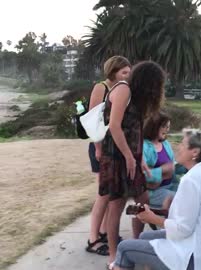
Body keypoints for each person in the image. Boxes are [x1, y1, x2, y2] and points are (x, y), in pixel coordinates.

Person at [113, 129, 201, 270]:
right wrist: (172, 207)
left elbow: (182, 230)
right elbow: (196, 217)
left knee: (124, 248)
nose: (178, 147)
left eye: (182, 144)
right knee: (144, 236)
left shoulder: (192, 180)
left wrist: (152, 218)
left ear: (195, 152)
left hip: (196, 257)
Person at [100, 61, 166, 269]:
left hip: (131, 157)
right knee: (116, 206)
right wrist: (129, 157)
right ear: (148, 82)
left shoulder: (136, 97)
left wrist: (140, 159)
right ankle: (114, 256)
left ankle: (137, 243)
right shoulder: (123, 89)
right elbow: (115, 127)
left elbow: (135, 131)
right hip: (117, 158)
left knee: (142, 200)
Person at [86, 56, 131, 256]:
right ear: (113, 71)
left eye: (129, 72)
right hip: (101, 147)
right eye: (124, 72)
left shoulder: (121, 90)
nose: (127, 76)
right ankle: (93, 239)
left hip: (111, 148)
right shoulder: (101, 87)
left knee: (110, 194)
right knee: (102, 195)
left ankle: (104, 232)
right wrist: (97, 148)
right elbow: (93, 121)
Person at [142, 112, 176, 209]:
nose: (167, 130)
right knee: (182, 199)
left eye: (168, 127)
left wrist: (186, 166)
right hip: (153, 191)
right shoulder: (144, 147)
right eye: (164, 126)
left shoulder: (166, 144)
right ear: (154, 127)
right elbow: (140, 175)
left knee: (191, 194)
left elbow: (172, 167)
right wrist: (161, 171)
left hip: (170, 185)